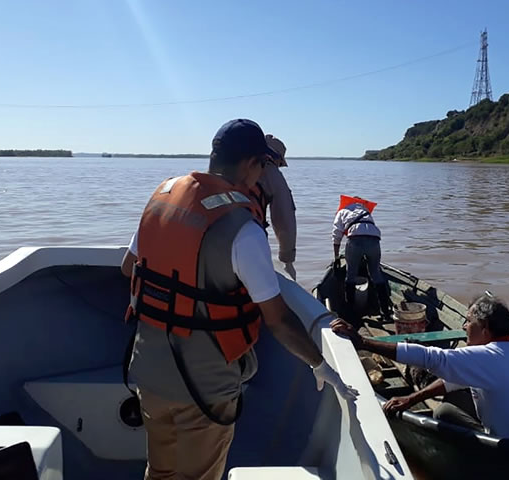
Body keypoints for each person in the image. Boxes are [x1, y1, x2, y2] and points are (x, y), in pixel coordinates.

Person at [120, 118, 357, 480]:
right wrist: (319, 364)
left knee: (161, 472)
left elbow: (128, 268)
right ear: (251, 164)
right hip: (204, 387)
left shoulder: (163, 196)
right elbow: (278, 320)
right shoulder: (244, 229)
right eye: (262, 165)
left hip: (148, 371)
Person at [330, 294, 509, 445]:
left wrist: (364, 342)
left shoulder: (489, 357)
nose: (464, 327)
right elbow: (453, 381)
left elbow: (432, 358)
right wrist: (412, 398)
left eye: (468, 321)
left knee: (442, 413)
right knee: (451, 401)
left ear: (485, 328)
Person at [331, 195, 392, 319]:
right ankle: (385, 312)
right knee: (376, 275)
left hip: (355, 241)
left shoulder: (343, 211)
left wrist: (336, 256)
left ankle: (351, 313)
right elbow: (369, 229)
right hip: (375, 241)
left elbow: (336, 235)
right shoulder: (366, 211)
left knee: (351, 275)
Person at [249, 134, 297, 280]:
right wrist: (287, 260)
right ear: (276, 158)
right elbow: (284, 219)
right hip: (247, 239)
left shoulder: (231, 163)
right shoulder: (270, 171)